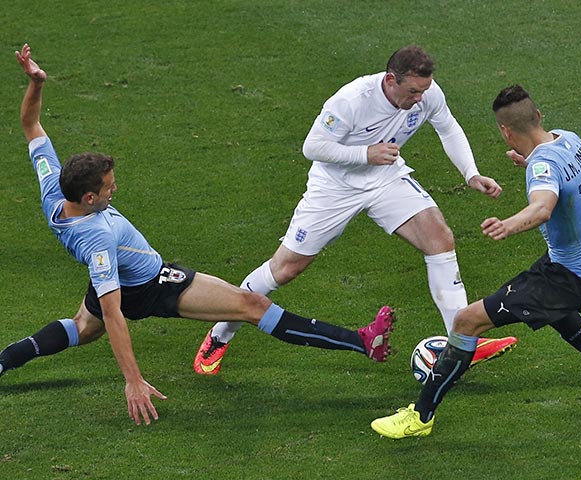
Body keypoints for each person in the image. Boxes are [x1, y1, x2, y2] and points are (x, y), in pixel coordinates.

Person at [0, 43, 396, 426]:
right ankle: (362, 341)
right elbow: (114, 314)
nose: (114, 189)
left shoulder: (54, 191)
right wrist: (133, 380)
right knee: (253, 306)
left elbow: (31, 125)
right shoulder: (97, 238)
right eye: (108, 188)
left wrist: (36, 83)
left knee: (80, 329)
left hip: (121, 275)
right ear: (89, 198)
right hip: (149, 286)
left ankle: (3, 362)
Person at [194, 44, 517, 375]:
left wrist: (470, 173)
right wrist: (365, 154)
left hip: (385, 177)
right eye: (413, 91)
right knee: (286, 268)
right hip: (335, 188)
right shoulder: (351, 100)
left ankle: (461, 344)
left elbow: (447, 126)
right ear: (390, 80)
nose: (420, 98)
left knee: (439, 238)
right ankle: (220, 334)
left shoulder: (427, 93)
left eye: (424, 90)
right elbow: (313, 147)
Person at [370, 85, 581, 439]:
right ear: (538, 116)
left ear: (506, 132)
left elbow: (542, 209)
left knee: (466, 322)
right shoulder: (568, 139)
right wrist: (543, 170)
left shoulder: (543, 166)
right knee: (551, 307)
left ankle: (420, 418)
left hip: (572, 275)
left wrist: (508, 225)